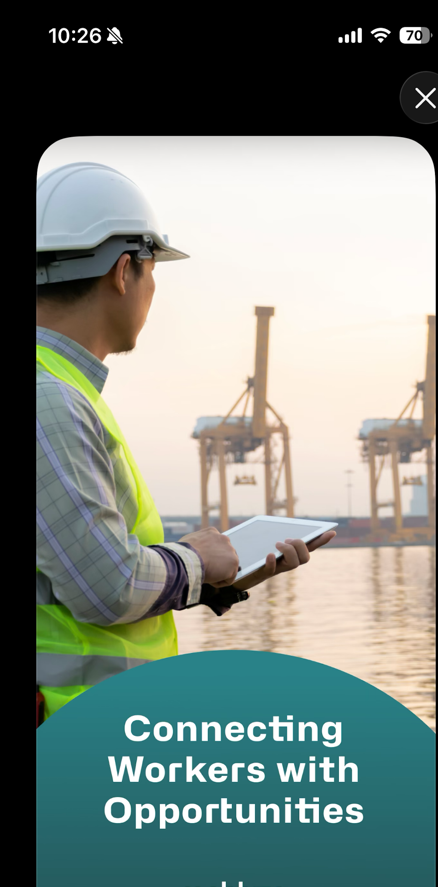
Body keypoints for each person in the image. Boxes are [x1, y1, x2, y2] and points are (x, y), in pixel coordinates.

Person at [36, 161, 335, 724]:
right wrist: (196, 559)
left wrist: (219, 576)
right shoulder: (48, 397)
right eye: (154, 271)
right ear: (125, 272)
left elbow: (66, 578)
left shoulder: (63, 388)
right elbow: (105, 587)